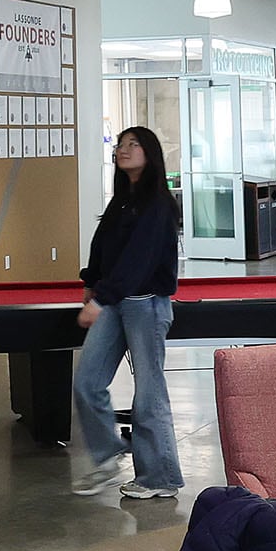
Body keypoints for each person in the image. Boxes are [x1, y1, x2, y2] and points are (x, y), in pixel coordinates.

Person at [75, 126, 184, 500]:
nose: (123, 150)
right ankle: (108, 455)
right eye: (120, 145)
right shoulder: (123, 199)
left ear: (149, 153)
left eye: (132, 145)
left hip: (145, 306)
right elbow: (103, 243)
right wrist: (91, 281)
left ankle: (160, 477)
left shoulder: (157, 204)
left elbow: (139, 260)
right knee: (87, 382)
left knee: (148, 395)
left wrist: (101, 298)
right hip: (116, 301)